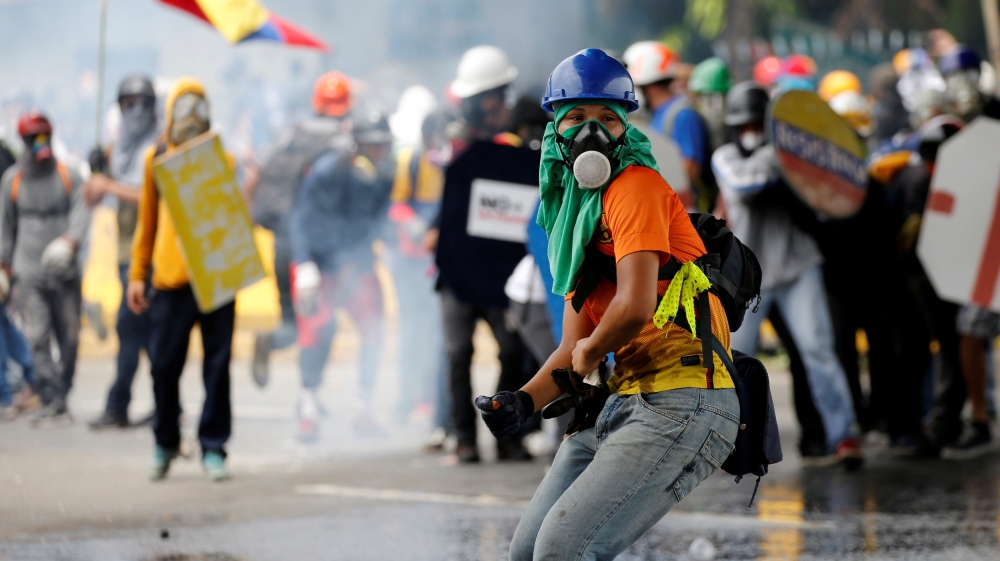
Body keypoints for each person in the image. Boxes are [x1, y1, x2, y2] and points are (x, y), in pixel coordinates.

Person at [475, 49, 739, 559]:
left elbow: (635, 307)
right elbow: (572, 347)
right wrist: (522, 402)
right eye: (574, 117)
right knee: (527, 550)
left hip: (682, 398)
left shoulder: (635, 186)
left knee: (562, 551)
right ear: (554, 128)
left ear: (626, 127)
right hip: (625, 396)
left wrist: (592, 354)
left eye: (606, 119)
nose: (589, 133)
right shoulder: (575, 215)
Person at [712, 82, 861, 468]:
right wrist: (782, 157)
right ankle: (725, 441)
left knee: (818, 350)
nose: (750, 131)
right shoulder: (726, 156)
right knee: (735, 357)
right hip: (748, 278)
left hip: (798, 266)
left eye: (755, 124)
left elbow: (828, 195)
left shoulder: (789, 155)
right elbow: (746, 184)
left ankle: (843, 434)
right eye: (742, 125)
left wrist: (790, 163)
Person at [128, 77, 235, 481]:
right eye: (184, 108)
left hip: (216, 276)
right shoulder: (156, 158)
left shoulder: (222, 158)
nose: (191, 117)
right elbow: (147, 221)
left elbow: (233, 217)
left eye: (198, 108)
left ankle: (214, 445)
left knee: (217, 366)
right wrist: (138, 273)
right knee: (163, 366)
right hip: (171, 282)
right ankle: (166, 439)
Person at [432, 45, 533, 464]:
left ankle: (507, 435)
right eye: (496, 96)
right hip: (456, 273)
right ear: (481, 100)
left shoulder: (512, 147)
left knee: (511, 350)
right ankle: (464, 438)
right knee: (458, 354)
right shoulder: (448, 147)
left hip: (497, 275)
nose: (502, 104)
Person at [288, 110, 396, 442]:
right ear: (356, 145)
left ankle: (364, 408)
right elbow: (300, 219)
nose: (379, 153)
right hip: (320, 267)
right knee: (315, 333)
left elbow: (376, 222)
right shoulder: (326, 172)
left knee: (373, 332)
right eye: (372, 146)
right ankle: (308, 408)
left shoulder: (384, 176)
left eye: (383, 146)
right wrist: (305, 264)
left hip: (357, 265)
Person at [250, 71, 354, 387]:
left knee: (294, 324)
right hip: (313, 249)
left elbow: (257, 174)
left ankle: (273, 341)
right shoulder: (345, 142)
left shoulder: (291, 132)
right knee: (321, 326)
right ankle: (308, 403)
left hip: (281, 242)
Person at [0, 111, 90, 428]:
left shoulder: (69, 175)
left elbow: (82, 210)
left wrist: (70, 241)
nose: (39, 144)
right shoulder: (13, 181)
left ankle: (63, 393)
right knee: (37, 338)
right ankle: (51, 398)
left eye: (44, 137)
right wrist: (3, 266)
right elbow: (6, 226)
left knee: (70, 338)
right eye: (32, 138)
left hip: (64, 272)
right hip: (30, 272)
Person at [86, 74, 159, 429]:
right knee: (140, 334)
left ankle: (120, 405)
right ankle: (157, 406)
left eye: (143, 103)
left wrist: (110, 184)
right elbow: (92, 197)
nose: (137, 111)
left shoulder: (159, 146)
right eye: (129, 103)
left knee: (135, 329)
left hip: (150, 254)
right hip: (124, 252)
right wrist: (98, 170)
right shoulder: (119, 149)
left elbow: (153, 197)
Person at [387, 109, 448, 427]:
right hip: (410, 262)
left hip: (439, 262)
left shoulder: (455, 162)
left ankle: (432, 397)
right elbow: (395, 204)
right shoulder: (411, 164)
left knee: (437, 333)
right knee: (412, 330)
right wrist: (411, 222)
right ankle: (407, 397)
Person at [623, 41, 716, 211]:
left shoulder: (683, 115)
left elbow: (690, 171)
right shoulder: (653, 116)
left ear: (648, 85)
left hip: (684, 214)